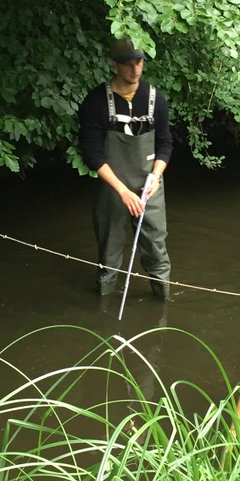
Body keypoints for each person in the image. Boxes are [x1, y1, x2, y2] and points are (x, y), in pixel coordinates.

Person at [77, 37, 172, 299]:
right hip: (112, 187)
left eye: (138, 62)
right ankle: (104, 302)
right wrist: (122, 191)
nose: (134, 69)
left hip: (149, 186)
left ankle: (162, 299)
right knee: (109, 251)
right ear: (115, 65)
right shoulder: (96, 101)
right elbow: (92, 153)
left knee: (156, 248)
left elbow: (165, 143)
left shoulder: (156, 98)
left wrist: (156, 176)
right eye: (127, 63)